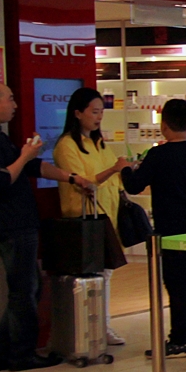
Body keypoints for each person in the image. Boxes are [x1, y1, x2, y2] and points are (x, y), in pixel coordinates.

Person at [0, 83, 86, 372]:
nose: (15, 104)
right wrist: (24, 156)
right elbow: (2, 180)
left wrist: (71, 177)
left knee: (28, 289)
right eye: (10, 98)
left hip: (20, 222)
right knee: (23, 290)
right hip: (10, 224)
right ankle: (21, 353)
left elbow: (33, 168)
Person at [53, 87, 134, 345]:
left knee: (106, 272)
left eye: (101, 112)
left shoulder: (99, 143)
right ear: (78, 113)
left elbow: (113, 178)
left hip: (106, 216)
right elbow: (83, 182)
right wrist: (113, 169)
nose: (99, 117)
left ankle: (102, 324)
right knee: (93, 274)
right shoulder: (67, 146)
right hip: (84, 219)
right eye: (94, 112)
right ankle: (94, 326)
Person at [122, 98, 186, 357]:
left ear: (163, 125)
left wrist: (124, 169)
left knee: (177, 283)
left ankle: (178, 338)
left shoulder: (158, 154)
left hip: (171, 230)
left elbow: (134, 185)